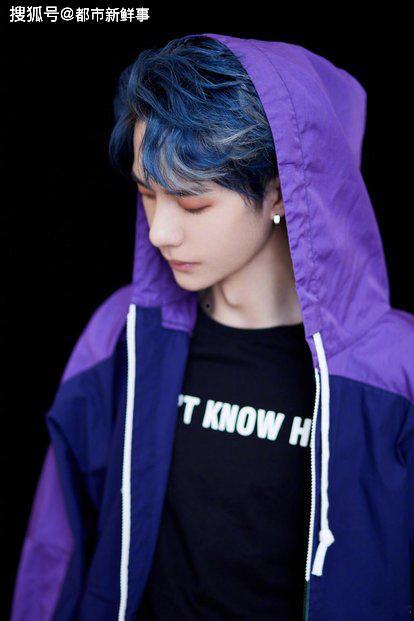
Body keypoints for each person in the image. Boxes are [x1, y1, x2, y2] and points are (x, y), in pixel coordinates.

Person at [10, 33, 414, 621]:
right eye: (147, 194)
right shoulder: (122, 335)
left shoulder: (396, 372)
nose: (159, 232)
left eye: (193, 203)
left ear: (282, 190)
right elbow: (56, 545)